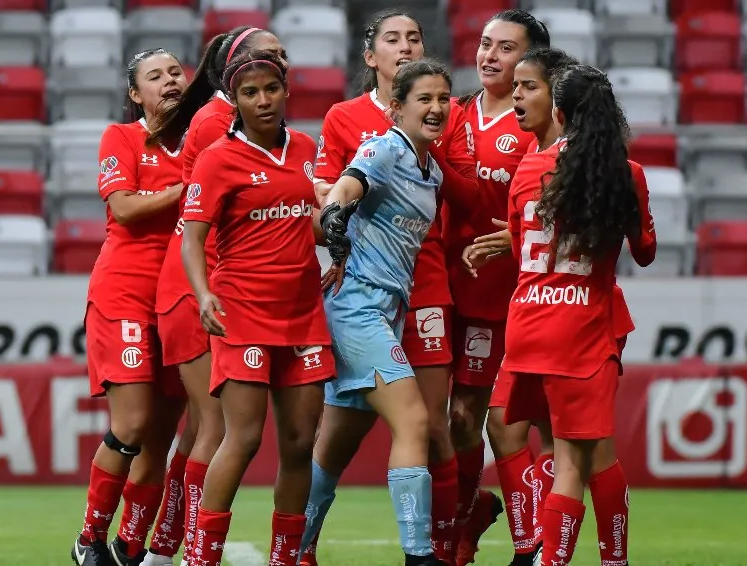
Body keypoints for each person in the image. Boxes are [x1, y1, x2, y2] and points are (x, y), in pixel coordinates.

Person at [302, 9, 479, 566]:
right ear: (396, 107)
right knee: (414, 421)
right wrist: (335, 217)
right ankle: (420, 555)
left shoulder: (429, 169)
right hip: (357, 307)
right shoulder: (386, 147)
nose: (434, 108)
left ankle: (293, 548)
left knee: (334, 447)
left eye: (442, 100)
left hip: (390, 306)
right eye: (423, 99)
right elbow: (351, 181)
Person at [465, 48, 640, 566]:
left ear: (559, 102)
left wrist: (519, 241)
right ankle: (539, 546)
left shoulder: (542, 167)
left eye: (529, 86)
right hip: (556, 318)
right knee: (516, 429)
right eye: (515, 86)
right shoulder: (544, 166)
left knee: (578, 453)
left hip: (574, 319)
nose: (517, 95)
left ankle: (541, 551)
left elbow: (535, 244)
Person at [140, 26, 289, 566]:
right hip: (201, 287)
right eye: (263, 54)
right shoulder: (219, 122)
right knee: (217, 429)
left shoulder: (229, 116)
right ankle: (183, 551)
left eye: (279, 54)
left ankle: (162, 548)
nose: (275, 60)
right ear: (235, 63)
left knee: (201, 429)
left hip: (198, 284)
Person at [180, 49, 334, 566]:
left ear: (285, 90)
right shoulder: (218, 159)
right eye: (250, 92)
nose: (263, 100)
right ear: (235, 102)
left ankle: (285, 559)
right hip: (242, 313)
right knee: (242, 439)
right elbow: (192, 239)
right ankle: (202, 558)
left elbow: (306, 220)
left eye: (271, 88)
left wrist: (339, 243)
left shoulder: (306, 148)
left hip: (304, 314)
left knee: (297, 444)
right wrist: (204, 295)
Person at [445, 10, 553, 566]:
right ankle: (470, 514)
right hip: (445, 289)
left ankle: (529, 543)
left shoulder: (534, 125)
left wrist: (517, 237)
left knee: (495, 419)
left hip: (506, 299)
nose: (489, 55)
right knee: (454, 422)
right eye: (486, 44)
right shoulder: (455, 112)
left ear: (530, 62)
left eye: (506, 48)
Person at [72, 48, 187, 566]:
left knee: (160, 439)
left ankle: (129, 548)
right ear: (136, 94)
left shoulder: (200, 143)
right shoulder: (121, 138)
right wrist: (187, 189)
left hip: (179, 302)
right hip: (126, 294)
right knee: (134, 423)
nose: (169, 81)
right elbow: (123, 206)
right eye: (155, 76)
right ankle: (89, 537)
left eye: (175, 73)